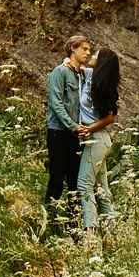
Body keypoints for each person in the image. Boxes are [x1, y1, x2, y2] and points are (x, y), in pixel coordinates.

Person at [76, 48, 120, 233]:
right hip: (95, 140)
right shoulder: (90, 75)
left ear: (101, 62)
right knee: (102, 189)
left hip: (98, 139)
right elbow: (74, 65)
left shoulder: (104, 87)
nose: (91, 55)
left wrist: (88, 129)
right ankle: (111, 234)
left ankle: (90, 232)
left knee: (84, 184)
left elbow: (110, 118)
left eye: (95, 55)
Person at [45, 34, 90, 207]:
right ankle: (48, 221)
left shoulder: (82, 76)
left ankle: (74, 229)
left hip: (77, 135)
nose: (87, 53)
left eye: (89, 50)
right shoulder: (60, 71)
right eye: (84, 49)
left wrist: (83, 129)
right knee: (57, 179)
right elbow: (55, 104)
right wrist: (74, 127)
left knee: (75, 183)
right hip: (59, 132)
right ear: (73, 48)